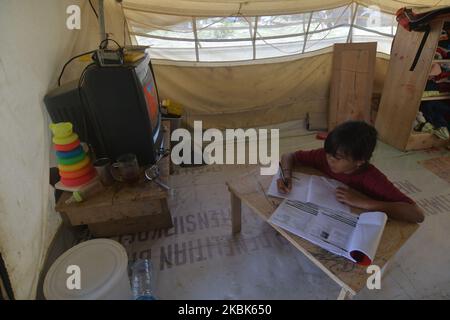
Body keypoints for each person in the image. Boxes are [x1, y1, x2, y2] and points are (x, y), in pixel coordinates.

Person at [278, 121, 425, 223]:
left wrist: (365, 203)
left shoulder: (372, 178)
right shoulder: (324, 156)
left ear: (360, 161)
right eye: (328, 153)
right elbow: (289, 156)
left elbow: (417, 214)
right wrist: (287, 176)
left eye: (337, 158)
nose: (329, 160)